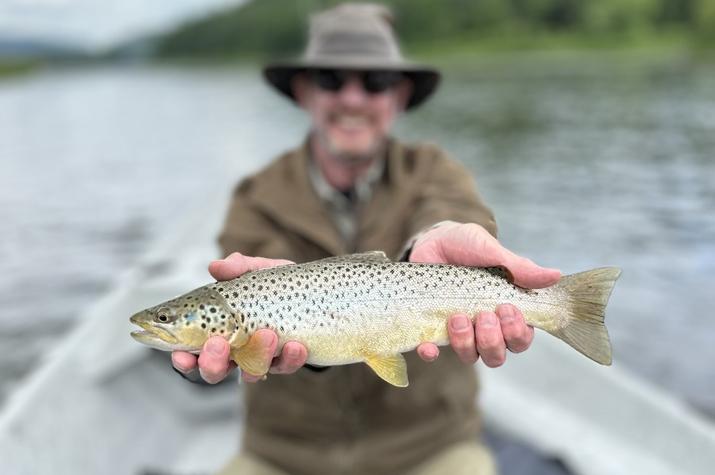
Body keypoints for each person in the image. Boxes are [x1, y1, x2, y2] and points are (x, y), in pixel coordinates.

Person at [171, 4, 560, 475]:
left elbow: (452, 211)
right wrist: (279, 347)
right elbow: (273, 328)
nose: (353, 99)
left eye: (374, 81)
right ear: (303, 92)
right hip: (285, 453)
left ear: (398, 96)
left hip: (429, 443)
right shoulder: (256, 196)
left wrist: (437, 234)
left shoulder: (436, 172)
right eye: (332, 79)